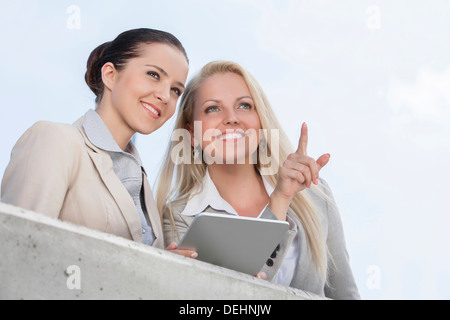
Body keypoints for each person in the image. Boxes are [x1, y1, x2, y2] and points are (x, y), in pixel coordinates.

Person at [156, 60, 360, 299]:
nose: (232, 118)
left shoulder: (314, 195)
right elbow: (236, 298)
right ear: (191, 135)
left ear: (261, 123)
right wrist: (280, 200)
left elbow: (345, 293)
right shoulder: (177, 217)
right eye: (213, 108)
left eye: (244, 105)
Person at [1, 28, 196, 257]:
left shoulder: (141, 183)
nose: (165, 95)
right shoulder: (55, 140)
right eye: (153, 75)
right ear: (110, 75)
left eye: (175, 90)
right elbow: (15, 251)